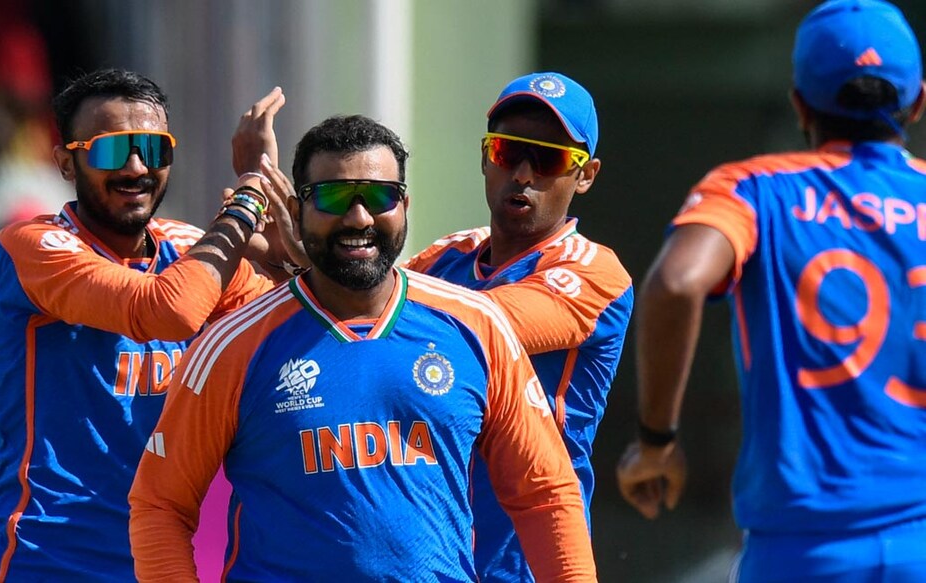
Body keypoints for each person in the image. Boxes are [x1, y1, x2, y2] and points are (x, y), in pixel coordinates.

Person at [128, 114, 597, 582]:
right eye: (333, 198)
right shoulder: (233, 345)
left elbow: (545, 493)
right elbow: (160, 506)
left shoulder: (477, 326)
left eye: (379, 197)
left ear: (404, 206)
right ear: (296, 211)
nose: (359, 218)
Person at [616, 1, 926, 580]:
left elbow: (677, 283)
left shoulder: (754, 188)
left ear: (800, 104)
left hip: (803, 553)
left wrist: (657, 441)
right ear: (918, 102)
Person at [0, 68, 284, 582]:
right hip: (41, 561)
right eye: (112, 151)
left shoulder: (188, 248)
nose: (136, 168)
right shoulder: (33, 245)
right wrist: (248, 199)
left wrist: (290, 251)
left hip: (156, 562)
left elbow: (291, 320)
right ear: (66, 163)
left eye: (153, 149)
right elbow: (168, 311)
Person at [402, 72, 632, 582]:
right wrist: (296, 257)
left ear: (585, 175)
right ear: (486, 157)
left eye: (548, 159)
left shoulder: (595, 270)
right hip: (429, 554)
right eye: (508, 152)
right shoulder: (446, 256)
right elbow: (355, 319)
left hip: (526, 560)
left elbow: (484, 325)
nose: (523, 174)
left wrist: (365, 285)